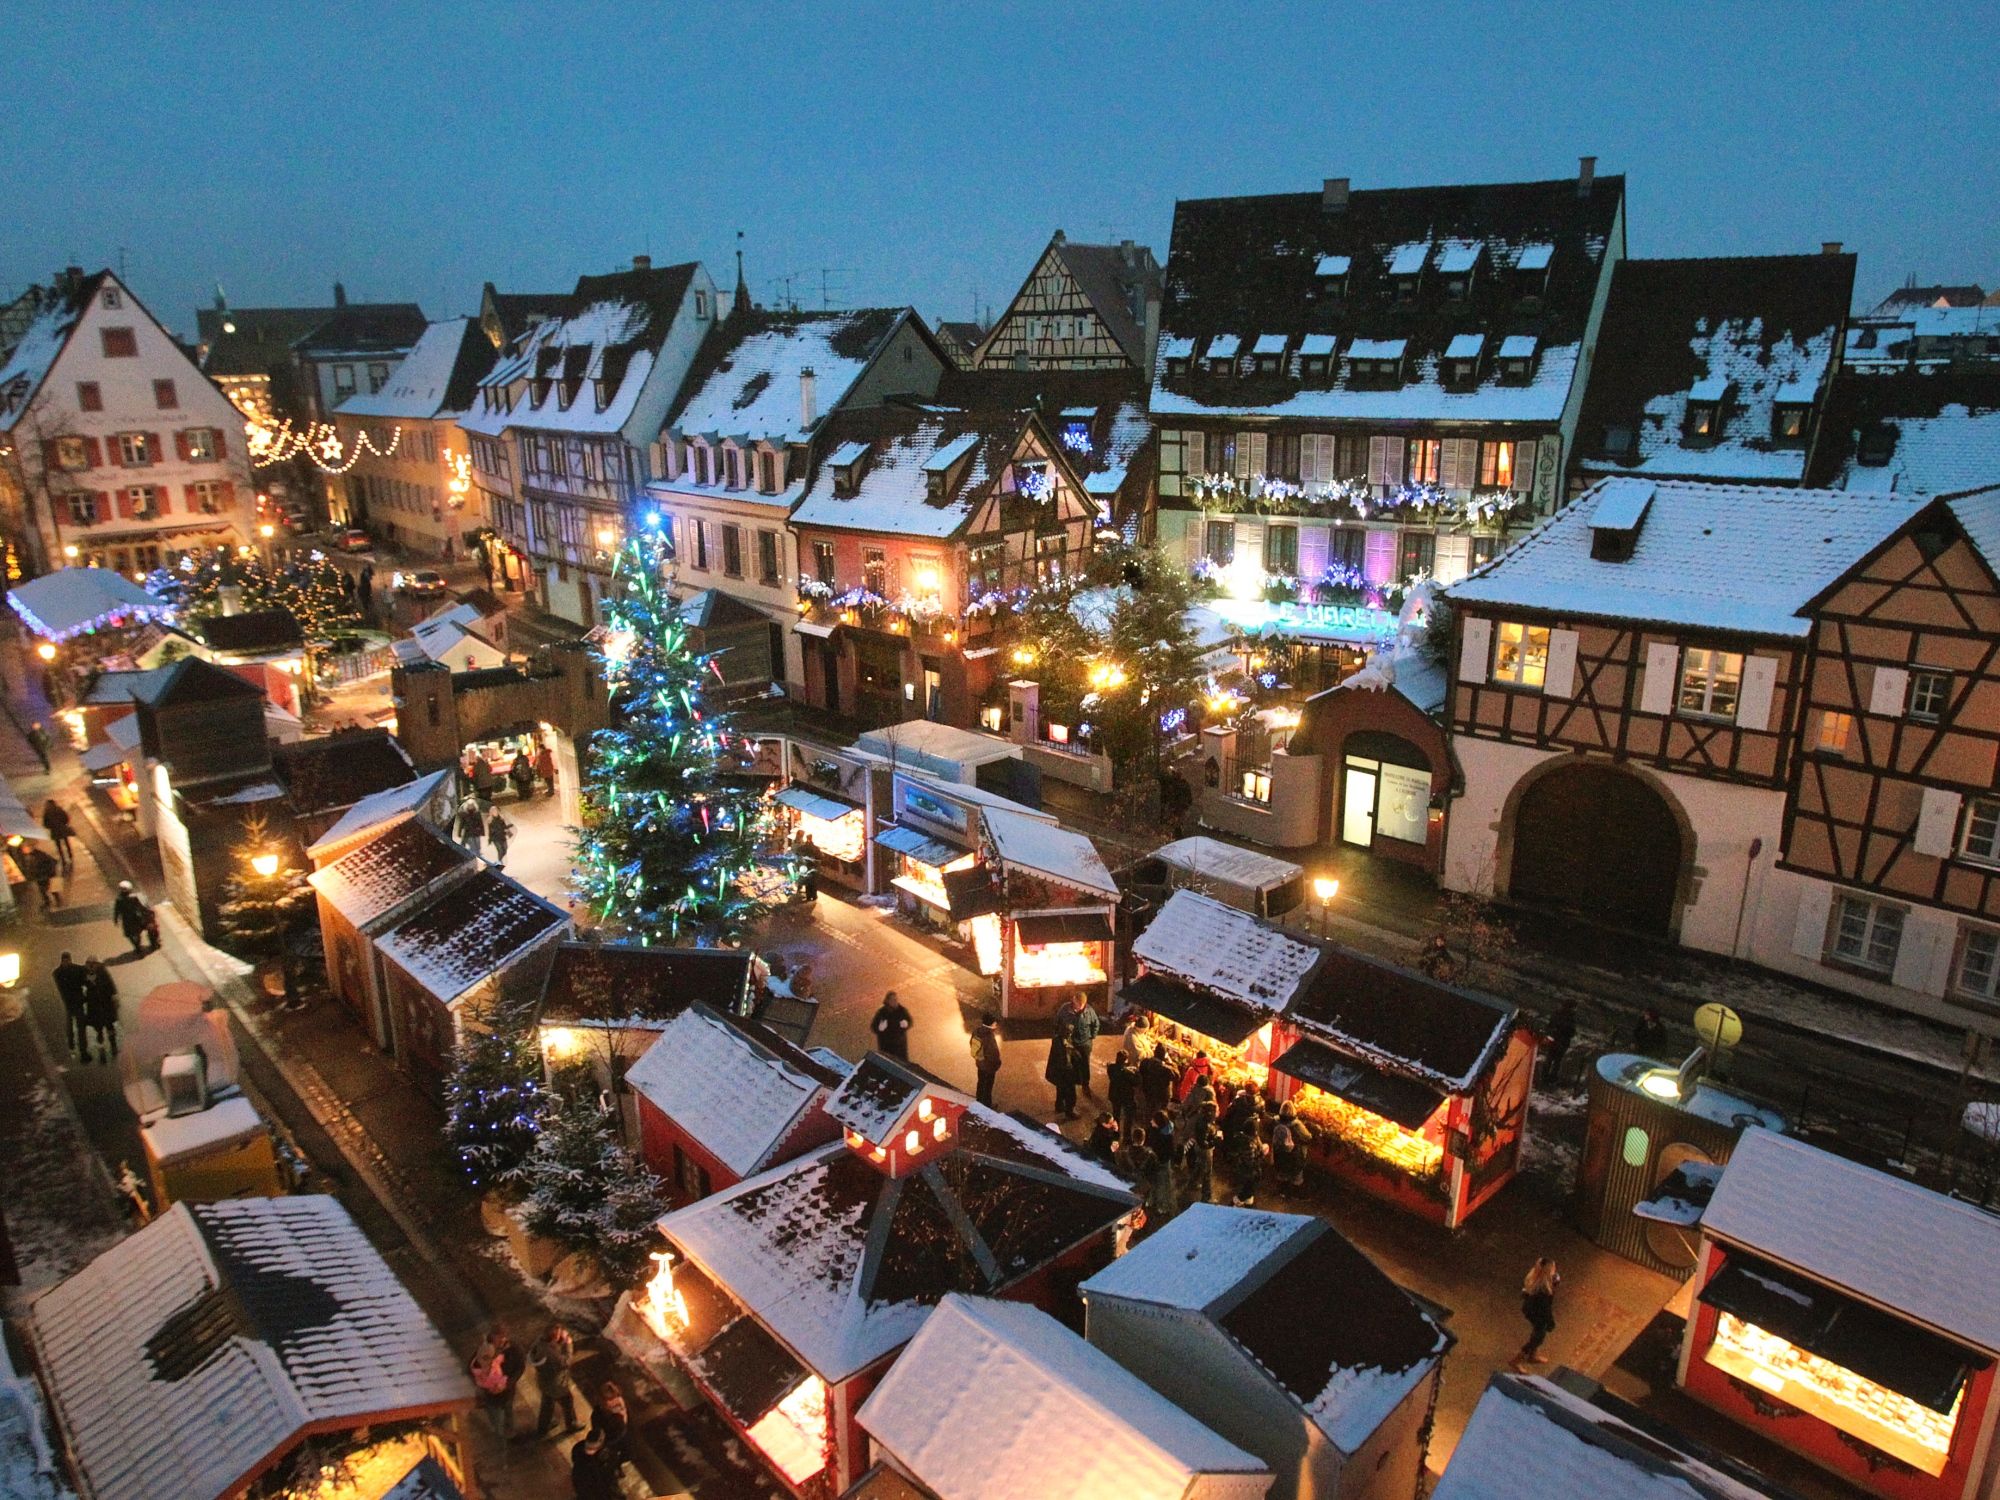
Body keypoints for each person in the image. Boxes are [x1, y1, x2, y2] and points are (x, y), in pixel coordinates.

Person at [531, 1322, 580, 1438]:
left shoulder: (540, 1343)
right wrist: (568, 1344)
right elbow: (565, 1362)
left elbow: (552, 1349)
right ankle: (572, 1424)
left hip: (545, 1382)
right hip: (557, 1385)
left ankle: (543, 1427)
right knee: (568, 1402)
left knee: (547, 1404)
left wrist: (560, 1341)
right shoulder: (552, 1354)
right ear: (554, 1337)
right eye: (558, 1334)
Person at [1514, 1258, 1561, 1369]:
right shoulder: (1543, 1290)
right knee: (1538, 1337)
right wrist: (1550, 1322)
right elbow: (1545, 1309)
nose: (1555, 1271)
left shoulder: (1535, 1279)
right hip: (1536, 1313)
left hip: (1530, 1310)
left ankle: (1533, 1355)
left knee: (1537, 1331)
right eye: (1553, 1269)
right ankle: (1516, 1360)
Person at [53, 951, 89, 1059]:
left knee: (79, 1027)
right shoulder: (75, 970)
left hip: (72, 1003)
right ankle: (73, 1046)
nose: (66, 962)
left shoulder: (58, 973)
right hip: (71, 1003)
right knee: (72, 1027)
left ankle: (79, 1048)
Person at [569, 1426, 621, 1500]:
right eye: (588, 1447)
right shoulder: (578, 1449)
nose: (588, 1451)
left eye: (592, 1449)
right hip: (585, 1483)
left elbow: (609, 1477)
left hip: (596, 1486)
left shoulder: (608, 1456)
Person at [83, 959, 119, 1062]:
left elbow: (110, 984)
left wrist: (113, 996)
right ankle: (102, 1047)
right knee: (99, 1029)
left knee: (109, 1026)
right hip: (95, 1007)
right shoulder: (87, 974)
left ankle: (113, 1046)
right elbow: (85, 987)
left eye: (93, 965)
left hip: (105, 1005)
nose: (92, 967)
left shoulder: (102, 972)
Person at [1271, 1101, 1312, 1190]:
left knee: (1282, 1169)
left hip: (1279, 1151)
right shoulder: (1297, 1125)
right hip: (1294, 1153)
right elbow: (1308, 1137)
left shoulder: (1275, 1120)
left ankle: (1282, 1189)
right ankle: (1295, 1191)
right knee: (1296, 1173)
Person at [1068, 993, 1101, 1098]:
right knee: (1072, 1063)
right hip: (1072, 1043)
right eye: (1079, 1004)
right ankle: (1073, 1082)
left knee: (1085, 1064)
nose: (1081, 1007)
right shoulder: (1066, 1010)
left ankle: (1085, 1084)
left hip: (1085, 1043)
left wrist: (1092, 1036)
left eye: (1083, 1004)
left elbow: (1096, 1024)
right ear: (1074, 1000)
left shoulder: (1089, 1011)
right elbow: (1058, 1022)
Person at [1046, 1025, 1078, 1121]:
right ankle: (1070, 1111)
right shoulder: (1060, 1042)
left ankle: (1059, 1106)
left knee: (1061, 1089)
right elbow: (1062, 1056)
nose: (1070, 1034)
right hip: (1065, 1071)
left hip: (1061, 1071)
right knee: (1070, 1092)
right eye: (1069, 1032)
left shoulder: (1060, 1040)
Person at [969, 1012, 1002, 1107]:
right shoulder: (989, 1037)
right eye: (995, 1023)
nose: (996, 1024)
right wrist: (997, 1064)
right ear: (991, 1024)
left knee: (981, 1082)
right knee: (988, 1087)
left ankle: (979, 1101)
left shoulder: (977, 1031)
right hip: (988, 1067)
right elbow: (993, 1054)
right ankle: (987, 1105)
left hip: (980, 1063)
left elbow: (972, 1044)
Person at [594, 1381, 630, 1468]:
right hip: (614, 1433)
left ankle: (615, 1464)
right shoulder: (599, 1415)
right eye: (609, 1399)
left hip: (617, 1432)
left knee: (621, 1451)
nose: (613, 1402)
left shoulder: (612, 1405)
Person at [1542, 998, 1578, 1084]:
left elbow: (1549, 1026)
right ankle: (1552, 1078)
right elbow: (1571, 1032)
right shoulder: (1571, 1018)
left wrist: (1551, 1033)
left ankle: (1544, 1076)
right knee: (1557, 1061)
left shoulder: (1556, 1014)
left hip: (1553, 1039)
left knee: (1549, 1058)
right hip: (1562, 1042)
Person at [870, 990, 912, 1060]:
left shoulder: (902, 1011)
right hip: (886, 1046)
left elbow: (909, 1021)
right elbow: (874, 1026)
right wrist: (879, 1028)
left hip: (900, 1047)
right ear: (888, 1001)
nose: (895, 1002)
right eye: (892, 1000)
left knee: (901, 1063)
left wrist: (907, 1024)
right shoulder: (882, 1012)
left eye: (896, 1000)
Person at [112, 881, 151, 955]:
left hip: (126, 920)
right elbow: (139, 906)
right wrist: (146, 911)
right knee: (137, 933)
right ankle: (138, 945)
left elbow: (117, 910)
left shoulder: (119, 900)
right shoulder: (133, 898)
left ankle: (136, 946)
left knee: (130, 934)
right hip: (135, 918)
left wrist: (116, 919)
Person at [1137, 1043, 1175, 1119]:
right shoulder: (1165, 1069)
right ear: (1163, 1056)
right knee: (1160, 1113)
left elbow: (1140, 1072)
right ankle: (1157, 1124)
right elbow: (1175, 1076)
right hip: (1161, 1094)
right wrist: (1171, 1063)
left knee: (1149, 1107)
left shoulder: (1145, 1062)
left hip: (1148, 1090)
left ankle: (1148, 1122)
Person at [1106, 1050, 1138, 1134]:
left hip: (1114, 1095)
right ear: (1125, 1060)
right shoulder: (1127, 1073)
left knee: (1116, 1114)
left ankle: (1115, 1132)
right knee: (1128, 1116)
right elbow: (1136, 1082)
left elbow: (1113, 1067)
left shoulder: (1111, 1067)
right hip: (1126, 1097)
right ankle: (1126, 1136)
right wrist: (1136, 1072)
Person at [24, 844, 60, 910]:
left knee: (46, 889)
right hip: (44, 875)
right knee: (46, 889)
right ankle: (53, 901)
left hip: (44, 875)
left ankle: (51, 901)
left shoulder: (38, 857)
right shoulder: (38, 855)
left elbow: (36, 868)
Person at [42, 800, 75, 869]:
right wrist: (63, 824)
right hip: (62, 829)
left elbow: (45, 824)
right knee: (66, 842)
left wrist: (51, 826)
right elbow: (66, 818)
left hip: (54, 831)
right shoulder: (59, 809)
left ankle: (62, 857)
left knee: (58, 845)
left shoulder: (47, 812)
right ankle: (70, 854)